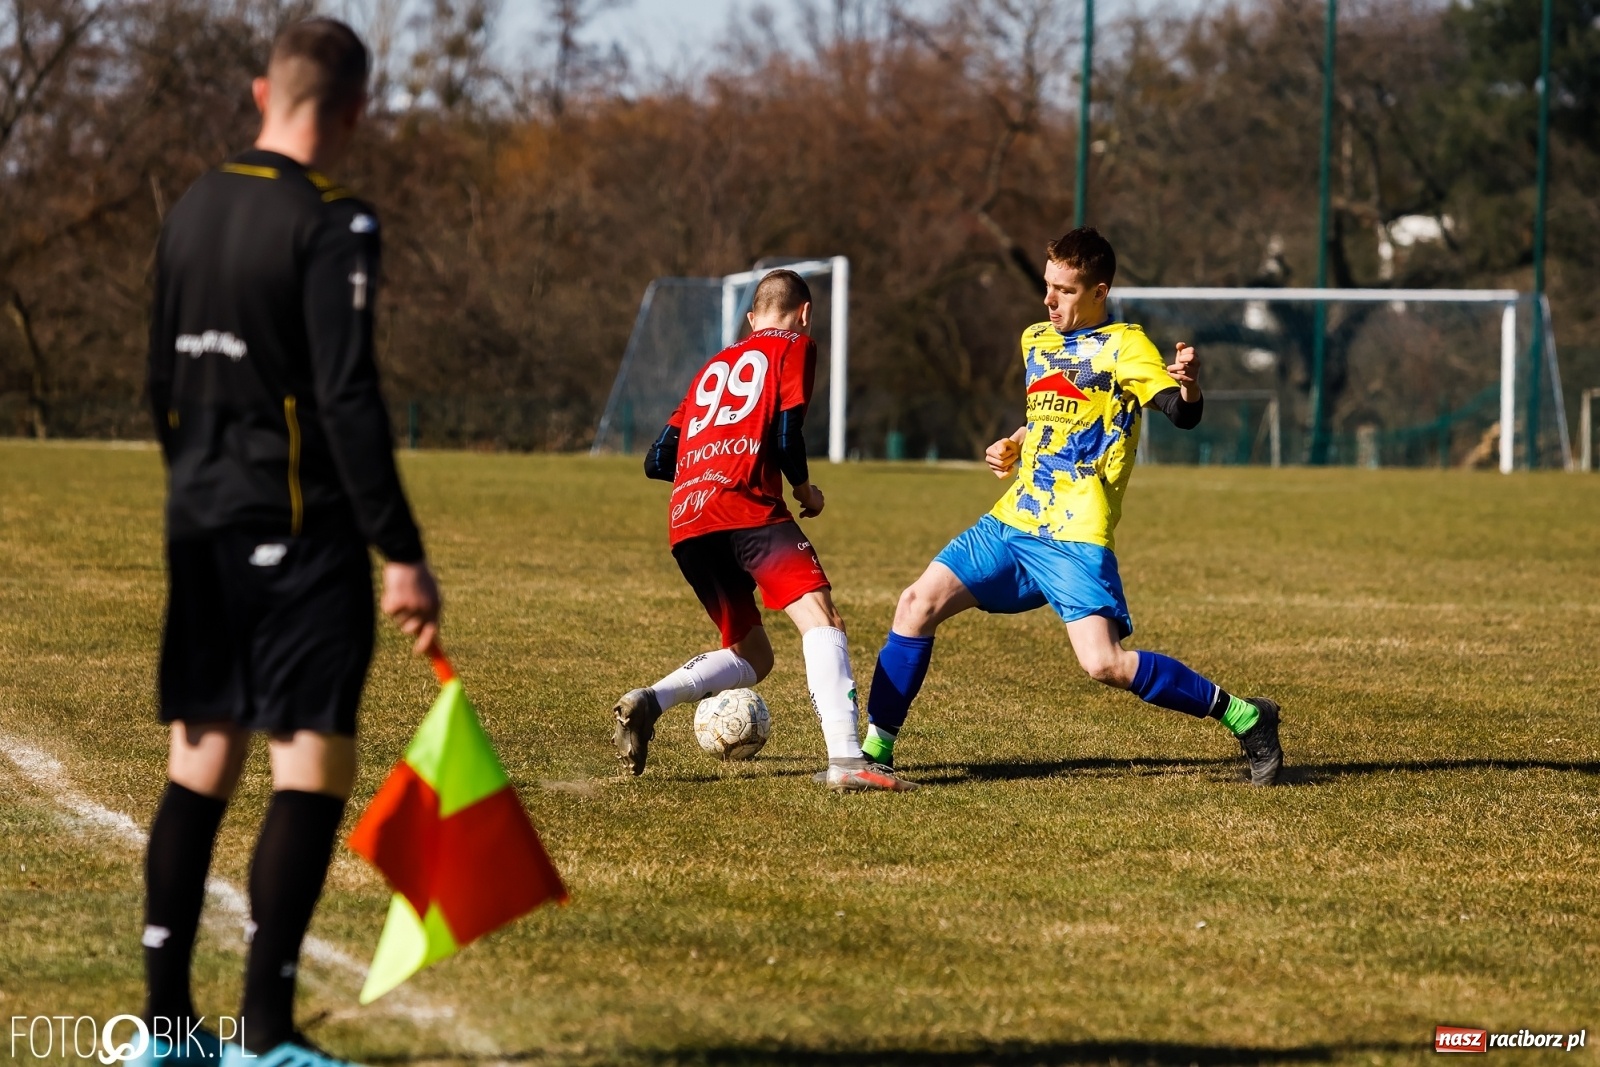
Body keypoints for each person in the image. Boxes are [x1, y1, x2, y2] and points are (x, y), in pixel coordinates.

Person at [141, 19, 440, 1067]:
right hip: (301, 532)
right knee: (309, 764)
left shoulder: (191, 206)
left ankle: (167, 1029)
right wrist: (399, 548)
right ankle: (267, 1033)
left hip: (199, 520)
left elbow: (158, 385)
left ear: (261, 89)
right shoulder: (335, 222)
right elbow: (347, 396)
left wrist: (198, 487)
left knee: (200, 757)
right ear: (354, 109)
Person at [859, 228, 1285, 785]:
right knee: (915, 603)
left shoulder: (1125, 347)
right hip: (1013, 520)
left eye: (1064, 289)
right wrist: (1014, 442)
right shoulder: (1036, 339)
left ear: (1099, 291)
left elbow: (1183, 417)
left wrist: (1190, 388)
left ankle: (1246, 716)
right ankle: (874, 754)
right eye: (1046, 285)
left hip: (1074, 532)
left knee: (1103, 664)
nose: (1049, 300)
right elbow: (1047, 415)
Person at [612, 269, 913, 793]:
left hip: (688, 518)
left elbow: (658, 458)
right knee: (822, 618)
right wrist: (804, 489)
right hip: (746, 507)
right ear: (805, 313)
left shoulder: (712, 365)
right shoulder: (794, 345)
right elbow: (787, 433)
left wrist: (706, 468)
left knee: (754, 654)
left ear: (750, 319)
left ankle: (650, 700)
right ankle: (847, 760)